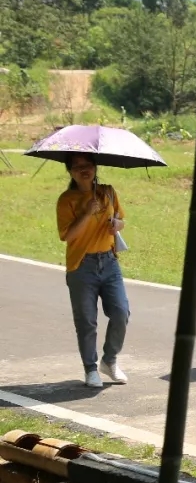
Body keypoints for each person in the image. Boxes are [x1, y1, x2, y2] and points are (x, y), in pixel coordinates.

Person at [56, 153, 130, 389]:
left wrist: (115, 225)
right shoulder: (67, 200)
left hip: (109, 262)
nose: (83, 170)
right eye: (77, 167)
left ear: (95, 167)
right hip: (81, 266)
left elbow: (121, 219)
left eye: (87, 165)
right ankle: (90, 368)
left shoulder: (107, 192)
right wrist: (88, 212)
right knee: (87, 321)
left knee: (121, 313)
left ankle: (109, 361)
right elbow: (67, 235)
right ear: (70, 172)